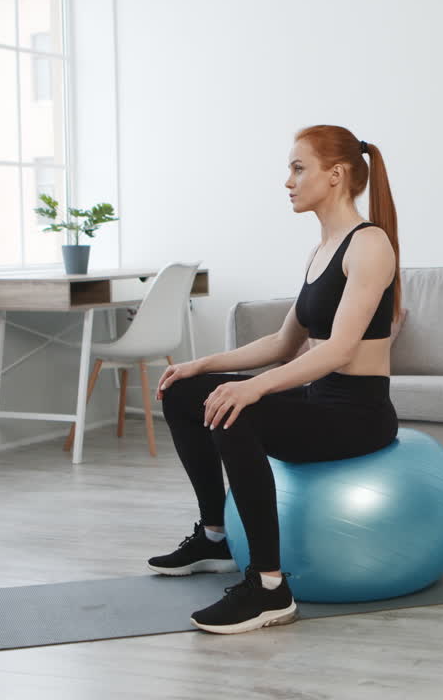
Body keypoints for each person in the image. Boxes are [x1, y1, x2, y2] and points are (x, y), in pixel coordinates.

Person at [148, 125, 403, 634]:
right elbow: (284, 342)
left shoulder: (369, 244)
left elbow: (339, 349)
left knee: (237, 410)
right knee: (183, 392)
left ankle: (269, 589)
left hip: (359, 414)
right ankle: (215, 538)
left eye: (298, 168)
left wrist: (255, 386)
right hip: (321, 399)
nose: (288, 181)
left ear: (336, 175)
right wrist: (202, 365)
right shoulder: (322, 249)